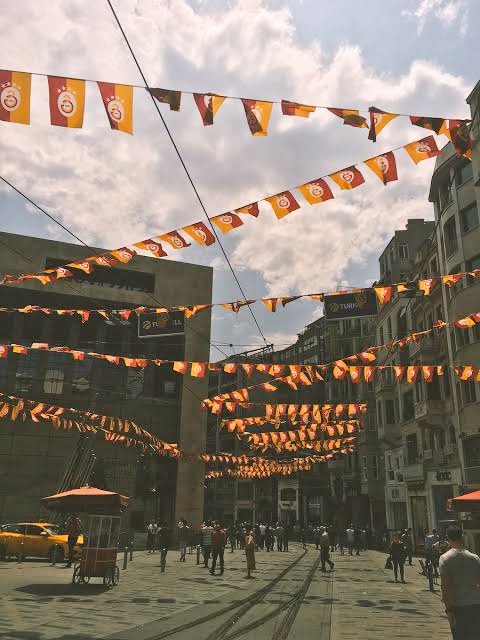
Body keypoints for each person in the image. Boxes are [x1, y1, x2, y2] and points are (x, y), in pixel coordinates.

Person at [439, 524, 480, 639]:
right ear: (462, 537)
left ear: (448, 538)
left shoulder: (445, 558)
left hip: (457, 605)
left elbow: (445, 586)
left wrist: (448, 610)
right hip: (476, 604)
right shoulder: (475, 558)